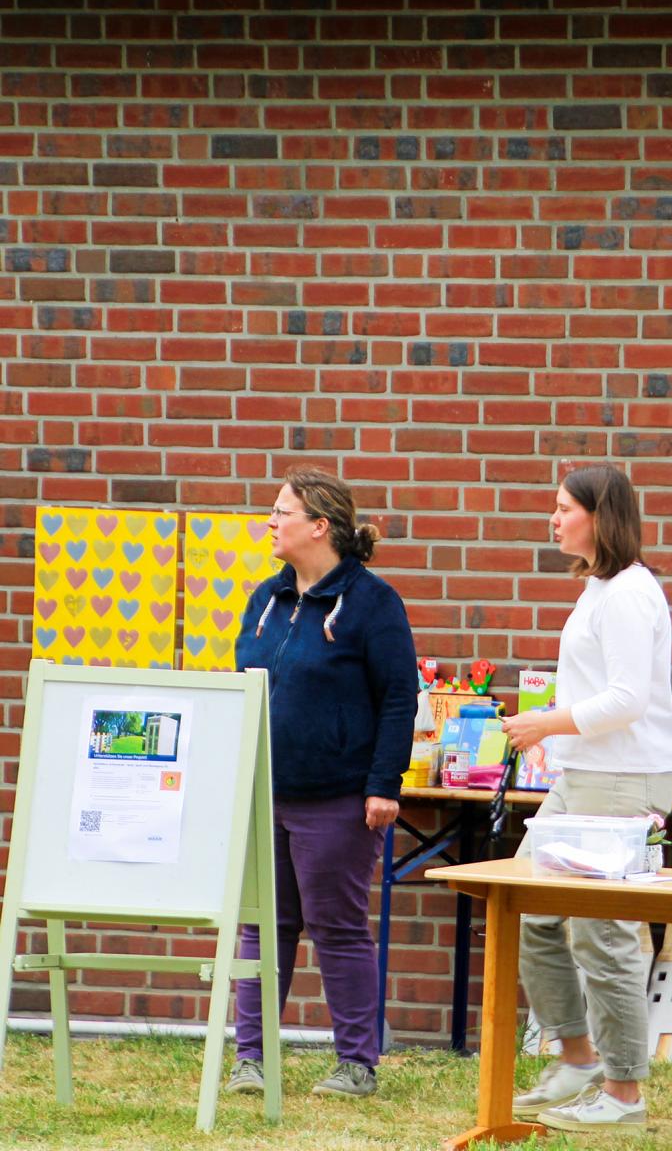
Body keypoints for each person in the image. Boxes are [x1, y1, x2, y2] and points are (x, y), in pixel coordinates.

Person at [225, 467, 418, 1100]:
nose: (270, 522)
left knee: (337, 927)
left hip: (338, 799)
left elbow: (399, 698)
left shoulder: (373, 603)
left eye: (281, 512)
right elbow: (242, 688)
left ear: (319, 526)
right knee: (263, 928)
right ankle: (250, 1059)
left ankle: (357, 1063)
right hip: (264, 794)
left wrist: (383, 784)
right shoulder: (266, 599)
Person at [500, 465, 672, 1134]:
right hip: (583, 779)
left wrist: (547, 723)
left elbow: (628, 700)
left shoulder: (630, 593)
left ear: (600, 517)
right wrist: (556, 732)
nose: (553, 519)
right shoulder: (600, 589)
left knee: (604, 936)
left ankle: (624, 1093)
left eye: (564, 508)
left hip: (623, 781)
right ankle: (577, 1058)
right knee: (530, 910)